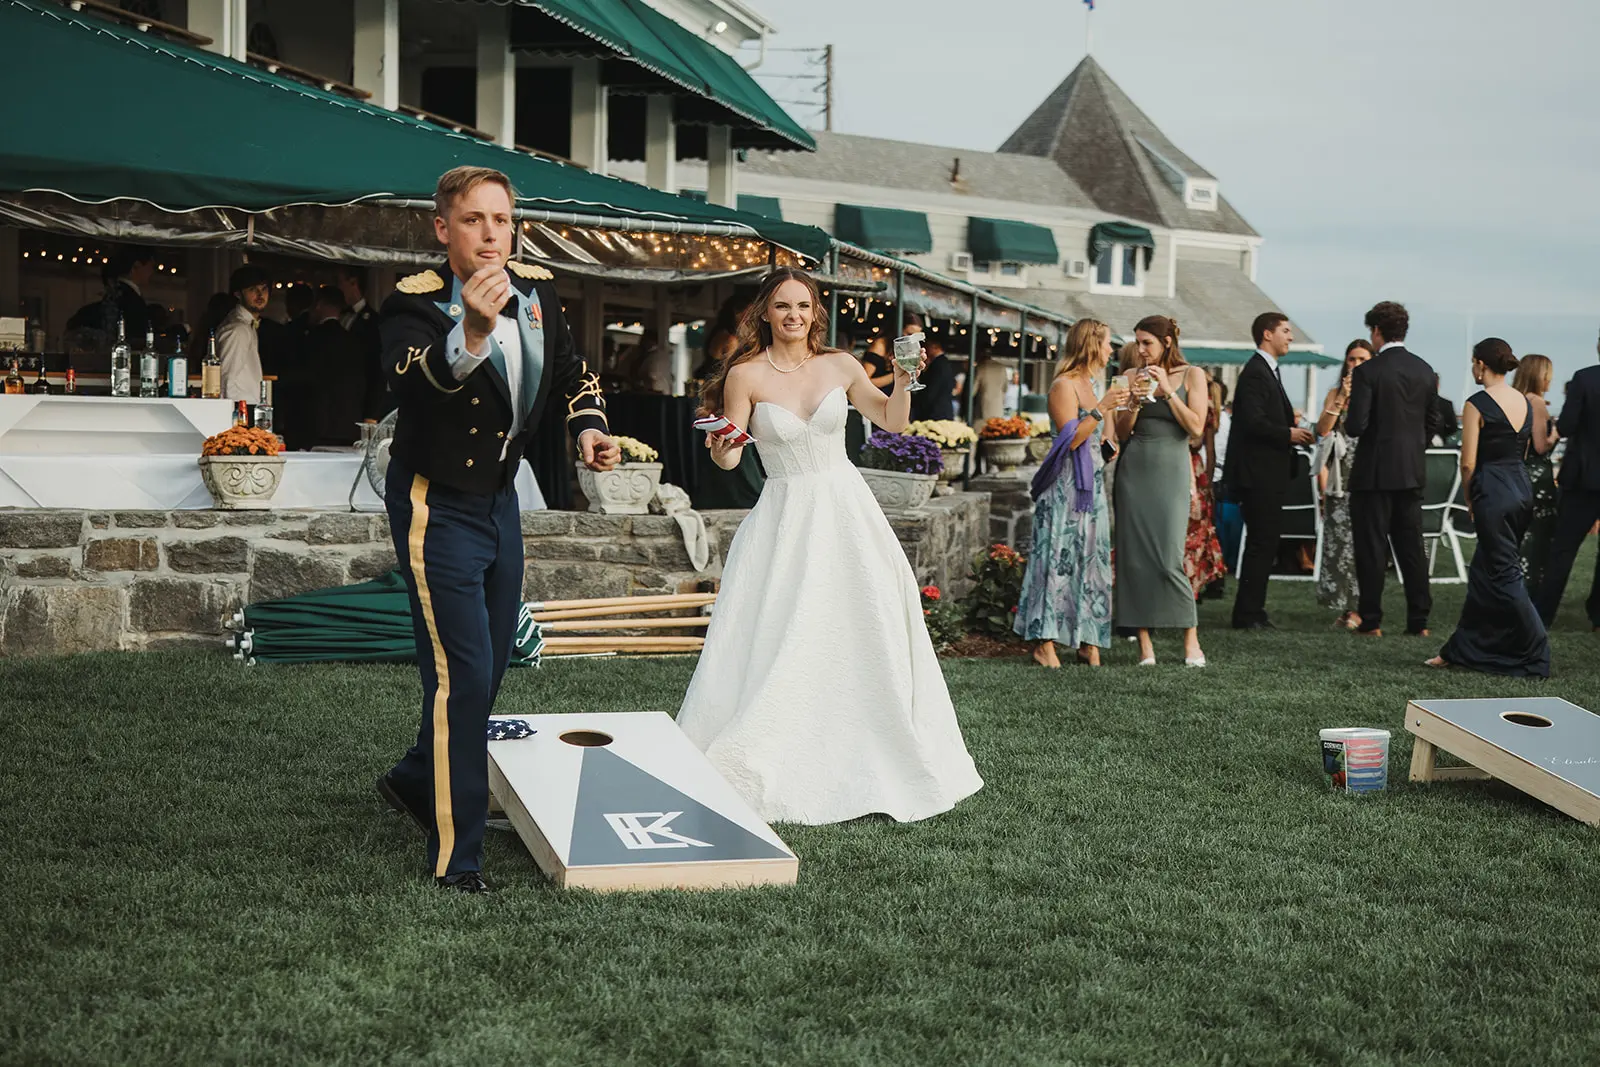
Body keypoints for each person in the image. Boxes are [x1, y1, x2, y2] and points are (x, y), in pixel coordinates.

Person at [373, 166, 620, 893]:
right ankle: (458, 858)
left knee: (494, 658)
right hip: (434, 501)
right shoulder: (412, 302)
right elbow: (411, 384)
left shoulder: (539, 294)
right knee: (463, 675)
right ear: (442, 228)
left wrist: (589, 427)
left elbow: (572, 372)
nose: (491, 233)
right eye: (473, 219)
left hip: (500, 501)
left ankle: (414, 777)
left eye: (502, 219)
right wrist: (472, 332)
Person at [675, 267, 982, 825]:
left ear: (815, 312)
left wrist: (903, 381)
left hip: (846, 511)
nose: (793, 315)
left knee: (861, 624)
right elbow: (730, 456)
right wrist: (720, 444)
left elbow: (890, 422)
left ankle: (871, 742)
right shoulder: (745, 375)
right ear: (765, 313)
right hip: (784, 517)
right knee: (784, 628)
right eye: (782, 306)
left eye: (803, 305)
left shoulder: (841, 365)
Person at [1427, 339, 1550, 676]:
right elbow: (1524, 452)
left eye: (1473, 363)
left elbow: (1467, 463)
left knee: (1505, 573)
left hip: (1492, 492)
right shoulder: (1524, 401)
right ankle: (1459, 650)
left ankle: (1538, 652)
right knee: (1484, 572)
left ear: (1480, 364)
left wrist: (1470, 499)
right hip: (1521, 490)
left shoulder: (1476, 404)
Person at [1014, 319, 1129, 667]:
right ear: (1092, 344)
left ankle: (1087, 639)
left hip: (1093, 486)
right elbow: (1071, 440)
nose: (1111, 350)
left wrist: (1116, 426)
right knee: (1056, 558)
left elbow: (1107, 440)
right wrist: (1101, 407)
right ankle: (1044, 642)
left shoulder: (1098, 385)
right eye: (1107, 343)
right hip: (1064, 487)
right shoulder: (1063, 385)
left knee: (1092, 560)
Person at [1345, 301, 1446, 637]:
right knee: (1412, 548)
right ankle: (1419, 621)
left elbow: (1356, 426)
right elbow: (1434, 420)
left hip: (1373, 473)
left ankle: (1371, 620)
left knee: (1371, 548)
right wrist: (1415, 446)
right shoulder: (1425, 370)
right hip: (1411, 469)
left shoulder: (1368, 372)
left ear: (1376, 331)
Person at [1113, 315, 1209, 666]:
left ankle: (1191, 639)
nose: (1140, 349)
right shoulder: (1126, 376)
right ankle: (1145, 645)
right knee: (1134, 559)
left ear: (1167, 342)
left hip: (1172, 470)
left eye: (1147, 343)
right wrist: (1134, 403)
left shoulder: (1193, 375)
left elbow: (1196, 428)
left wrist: (1167, 390)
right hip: (1134, 470)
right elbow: (1122, 433)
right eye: (1137, 342)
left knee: (1170, 557)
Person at [1225, 312, 1315, 631]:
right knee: (1261, 543)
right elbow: (1252, 421)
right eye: (1286, 331)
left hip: (1269, 473)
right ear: (1267, 334)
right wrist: (1288, 433)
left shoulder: (1267, 371)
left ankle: (1254, 610)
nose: (1291, 337)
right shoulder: (1255, 373)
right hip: (1258, 475)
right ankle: (1247, 613)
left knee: (1265, 542)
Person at [1535, 330, 1600, 627]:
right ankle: (1597, 614)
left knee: (1563, 549)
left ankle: (1543, 614)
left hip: (1583, 478)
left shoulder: (1584, 379)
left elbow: (1569, 424)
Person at [1314, 340, 1374, 628]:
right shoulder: (1334, 393)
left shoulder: (1377, 394)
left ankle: (1362, 607)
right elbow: (1322, 430)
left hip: (1368, 470)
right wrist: (1341, 398)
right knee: (1339, 542)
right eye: (1352, 359)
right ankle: (1346, 606)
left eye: (1362, 359)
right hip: (1340, 474)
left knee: (1362, 542)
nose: (1356, 365)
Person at [1512, 354, 1560, 594]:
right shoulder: (1537, 403)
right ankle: (1531, 586)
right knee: (1538, 535)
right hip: (1537, 475)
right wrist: (1556, 433)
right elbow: (1541, 446)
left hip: (1517, 472)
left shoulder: (1515, 399)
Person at [305, 285, 367, 448]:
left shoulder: (312, 339)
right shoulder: (353, 340)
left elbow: (306, 376)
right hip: (350, 422)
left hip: (318, 423)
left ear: (318, 305)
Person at [1184, 368, 1227, 599]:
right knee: (1198, 526)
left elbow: (1206, 447)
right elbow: (1209, 450)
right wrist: (1209, 481)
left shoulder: (1196, 406)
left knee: (1194, 527)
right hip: (1196, 467)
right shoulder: (1208, 407)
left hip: (1190, 466)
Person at [215, 264, 269, 402]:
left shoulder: (245, 325)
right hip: (240, 407)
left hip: (244, 405)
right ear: (238, 294)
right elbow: (226, 380)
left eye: (264, 288)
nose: (260, 294)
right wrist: (236, 412)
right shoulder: (238, 329)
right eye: (252, 289)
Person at [909, 335, 957, 421]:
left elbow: (932, 389)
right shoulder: (943, 362)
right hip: (940, 410)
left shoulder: (939, 364)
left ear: (935, 346)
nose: (926, 349)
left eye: (928, 346)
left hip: (936, 412)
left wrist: (918, 403)